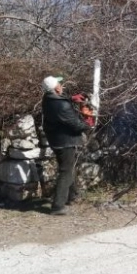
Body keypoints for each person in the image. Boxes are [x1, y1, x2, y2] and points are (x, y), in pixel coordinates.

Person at [41, 75, 92, 215]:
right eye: (59, 83)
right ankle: (58, 206)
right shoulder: (61, 105)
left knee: (68, 168)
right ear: (56, 88)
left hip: (57, 139)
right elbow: (75, 125)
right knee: (66, 171)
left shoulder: (48, 99)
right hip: (65, 141)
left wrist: (72, 99)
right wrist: (88, 123)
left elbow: (60, 104)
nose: (61, 85)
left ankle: (72, 195)